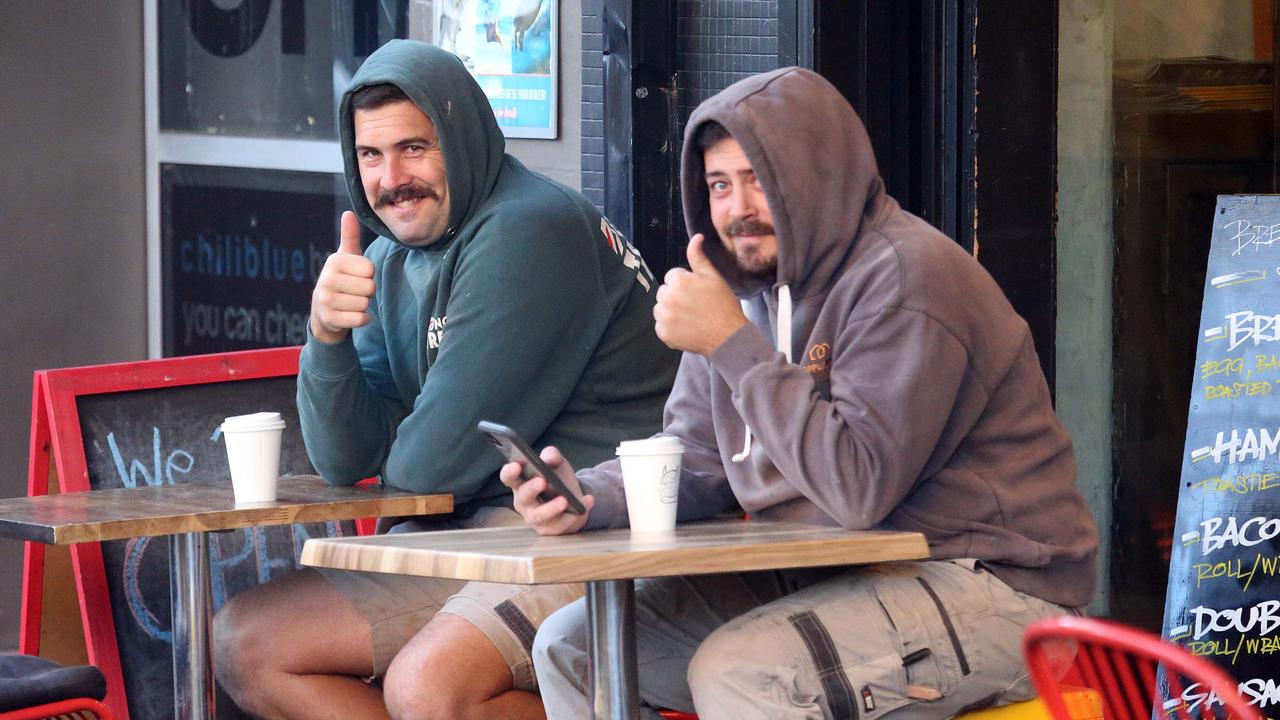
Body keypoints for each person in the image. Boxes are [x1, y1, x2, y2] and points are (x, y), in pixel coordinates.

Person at [503, 67, 1100, 719]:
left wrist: (731, 343)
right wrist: (590, 497)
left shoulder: (907, 279)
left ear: (818, 175)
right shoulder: (738, 295)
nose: (736, 209)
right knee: (577, 645)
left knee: (745, 673)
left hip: (996, 584)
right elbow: (698, 457)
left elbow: (858, 489)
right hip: (838, 577)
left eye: (759, 179)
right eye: (719, 185)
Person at [212, 40, 678, 720]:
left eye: (414, 148)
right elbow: (345, 457)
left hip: (600, 543)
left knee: (428, 688)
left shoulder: (528, 228)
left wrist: (400, 444)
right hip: (478, 535)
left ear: (461, 140)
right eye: (370, 156)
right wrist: (326, 335)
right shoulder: (389, 256)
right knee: (248, 642)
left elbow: (431, 465)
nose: (391, 178)